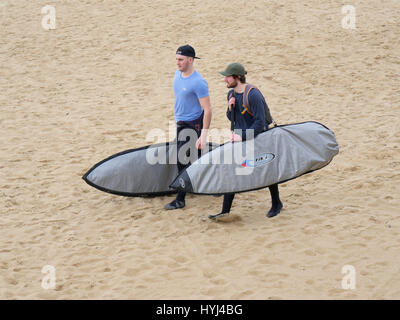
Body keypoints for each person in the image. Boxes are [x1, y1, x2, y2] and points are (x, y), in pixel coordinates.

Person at [209, 62, 283, 219]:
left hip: (259, 138)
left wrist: (242, 136)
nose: (225, 80)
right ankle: (225, 211)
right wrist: (230, 108)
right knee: (232, 172)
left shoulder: (253, 95)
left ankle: (277, 203)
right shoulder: (231, 95)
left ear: (237, 77)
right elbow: (231, 118)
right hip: (240, 139)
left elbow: (260, 123)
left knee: (267, 170)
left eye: (227, 77)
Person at [165, 45, 212, 210]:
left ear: (190, 60)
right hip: (180, 122)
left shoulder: (198, 82)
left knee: (182, 160)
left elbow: (207, 109)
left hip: (193, 123)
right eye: (176, 59)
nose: (177, 63)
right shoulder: (177, 74)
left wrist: (203, 134)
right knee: (195, 157)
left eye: (180, 59)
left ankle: (180, 198)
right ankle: (206, 186)